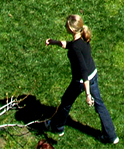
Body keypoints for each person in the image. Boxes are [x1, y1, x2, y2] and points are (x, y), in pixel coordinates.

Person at [44, 14, 118, 143]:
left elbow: (83, 71)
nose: (65, 27)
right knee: (100, 104)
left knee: (66, 101)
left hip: (81, 81)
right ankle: (111, 136)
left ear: (72, 30)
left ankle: (57, 127)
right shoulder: (83, 38)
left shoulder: (75, 48)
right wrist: (54, 42)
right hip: (93, 74)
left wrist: (88, 94)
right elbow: (71, 45)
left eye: (66, 26)